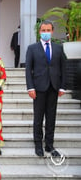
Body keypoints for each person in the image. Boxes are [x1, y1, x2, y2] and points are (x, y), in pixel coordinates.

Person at [25, 20, 66, 157]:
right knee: (38, 117)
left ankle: (49, 145)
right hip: (38, 87)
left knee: (51, 117)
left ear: (52, 31)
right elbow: (28, 69)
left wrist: (62, 87)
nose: (46, 33)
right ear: (39, 32)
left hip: (54, 87)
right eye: (43, 30)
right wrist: (30, 87)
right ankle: (38, 144)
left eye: (48, 30)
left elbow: (63, 68)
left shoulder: (59, 48)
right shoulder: (32, 48)